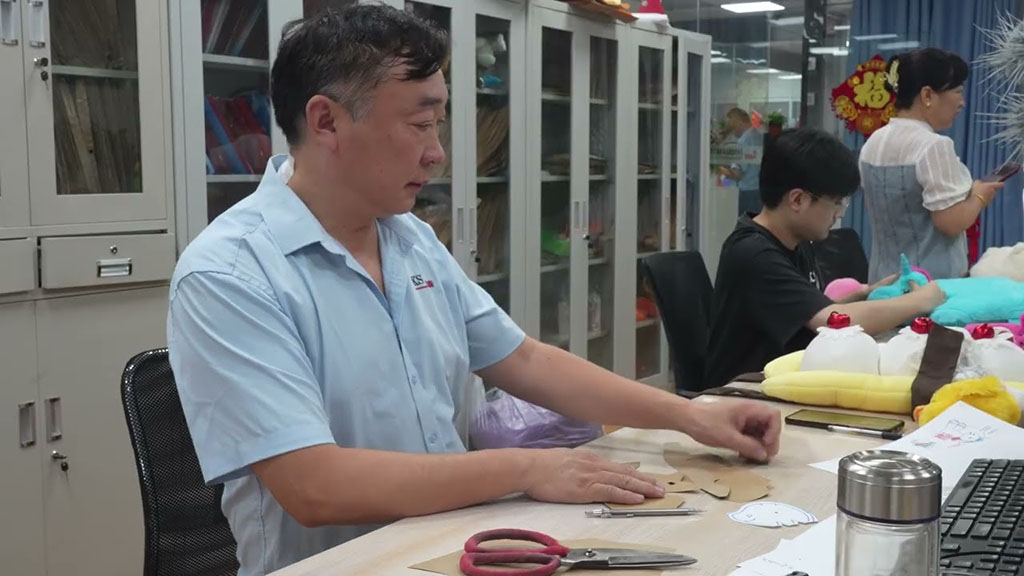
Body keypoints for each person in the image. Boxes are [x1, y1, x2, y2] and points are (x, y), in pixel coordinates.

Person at [167, 6, 782, 575]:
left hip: (456, 546)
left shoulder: (407, 238)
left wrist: (692, 416)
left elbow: (522, 359)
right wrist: (530, 468)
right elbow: (314, 485)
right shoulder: (230, 275)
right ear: (326, 120)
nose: (437, 154)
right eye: (420, 124)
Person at [703, 128, 947, 389]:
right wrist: (920, 300)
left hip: (785, 380)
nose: (839, 214)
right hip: (742, 394)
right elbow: (834, 322)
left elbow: (802, 313)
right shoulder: (752, 253)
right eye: (837, 203)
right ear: (798, 199)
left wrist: (865, 293)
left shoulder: (795, 240)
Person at [859, 48, 1004, 282]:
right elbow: (950, 223)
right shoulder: (933, 145)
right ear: (927, 95)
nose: (962, 102)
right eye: (957, 91)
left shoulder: (873, 142)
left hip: (882, 280)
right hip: (930, 286)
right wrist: (979, 196)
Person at [724, 108, 764, 216]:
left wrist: (718, 169)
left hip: (747, 194)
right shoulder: (758, 136)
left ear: (739, 123)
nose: (732, 132)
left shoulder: (743, 141)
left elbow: (737, 174)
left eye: (732, 127)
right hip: (759, 191)